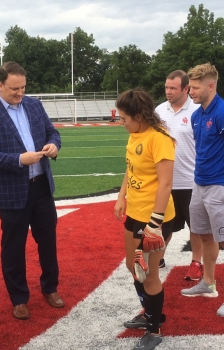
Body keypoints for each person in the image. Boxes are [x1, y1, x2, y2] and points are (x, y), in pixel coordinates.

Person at [0, 61, 63, 320]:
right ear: (0, 85)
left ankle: (50, 288)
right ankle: (19, 298)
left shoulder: (35, 104)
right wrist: (18, 160)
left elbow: (53, 132)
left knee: (48, 242)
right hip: (11, 192)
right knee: (13, 248)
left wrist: (53, 145)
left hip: (42, 188)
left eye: (23, 87)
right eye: (14, 89)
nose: (20, 93)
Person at [114, 89, 175, 350]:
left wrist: (155, 224)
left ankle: (154, 328)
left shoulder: (159, 138)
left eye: (125, 118)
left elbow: (166, 184)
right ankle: (149, 311)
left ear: (139, 115)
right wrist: (121, 197)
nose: (122, 122)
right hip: (135, 213)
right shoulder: (135, 134)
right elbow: (130, 168)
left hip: (155, 217)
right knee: (133, 267)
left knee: (148, 274)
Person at [180, 63, 224, 317]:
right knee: (204, 234)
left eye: (195, 88)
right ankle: (208, 282)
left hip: (219, 184)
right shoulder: (197, 115)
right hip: (199, 183)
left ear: (210, 85)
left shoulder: (221, 111)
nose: (190, 92)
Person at [155, 70, 203, 280]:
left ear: (186, 88)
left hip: (191, 181)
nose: (168, 91)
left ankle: (196, 262)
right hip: (165, 181)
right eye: (167, 87)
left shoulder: (198, 110)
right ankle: (160, 256)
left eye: (173, 88)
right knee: (164, 224)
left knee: (197, 226)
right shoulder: (158, 111)